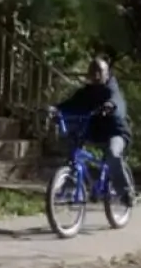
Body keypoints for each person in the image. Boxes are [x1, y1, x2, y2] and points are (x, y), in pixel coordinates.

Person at [49, 56, 135, 207]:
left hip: (117, 132)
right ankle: (68, 188)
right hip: (96, 132)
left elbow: (117, 102)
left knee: (112, 154)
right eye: (92, 72)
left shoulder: (111, 89)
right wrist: (56, 109)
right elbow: (71, 104)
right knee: (73, 149)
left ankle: (125, 192)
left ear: (107, 74)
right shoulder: (86, 93)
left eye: (99, 72)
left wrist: (110, 105)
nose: (96, 75)